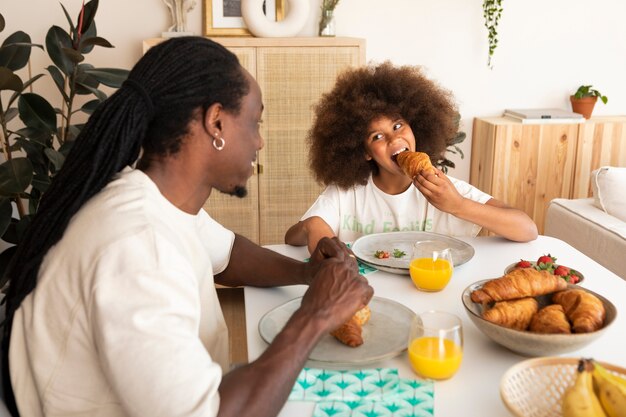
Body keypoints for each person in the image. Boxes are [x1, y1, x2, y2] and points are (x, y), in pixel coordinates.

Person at [0, 37, 373, 417]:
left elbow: (228, 255)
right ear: (216, 122)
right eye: (255, 122)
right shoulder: (138, 245)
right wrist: (317, 313)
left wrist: (308, 272)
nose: (259, 142)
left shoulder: (152, 197)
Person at [285, 62, 538, 253]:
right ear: (363, 152)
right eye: (377, 137)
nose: (394, 140)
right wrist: (313, 224)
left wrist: (458, 206)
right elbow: (291, 239)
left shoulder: (447, 191)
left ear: (416, 126)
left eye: (398, 126)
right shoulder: (346, 194)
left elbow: (527, 229)